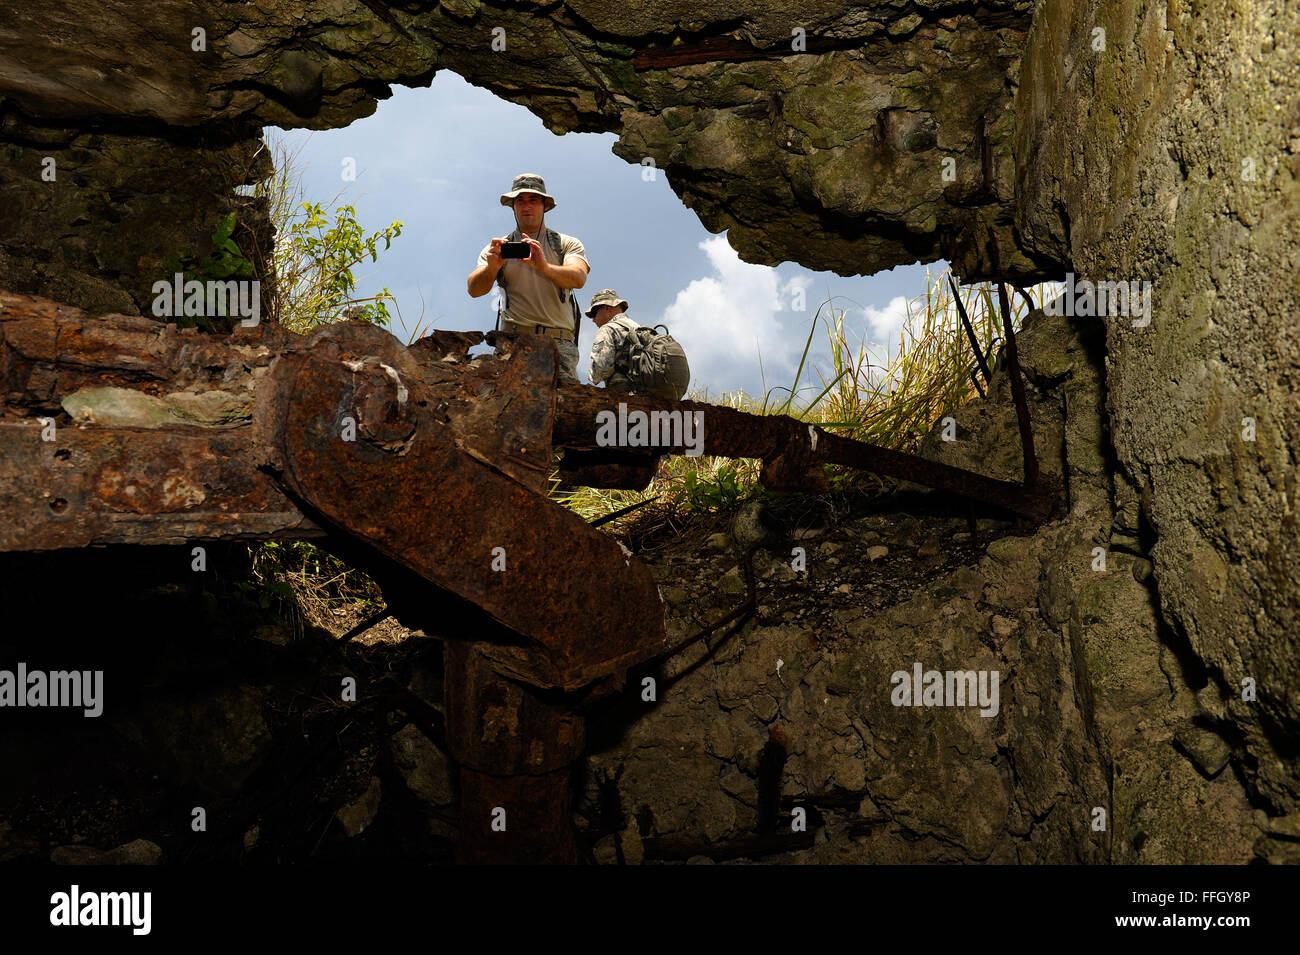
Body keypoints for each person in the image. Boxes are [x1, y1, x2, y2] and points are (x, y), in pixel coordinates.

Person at [467, 173, 589, 384]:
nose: (526, 207)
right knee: (504, 408)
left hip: (558, 345)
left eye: (533, 200)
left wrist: (543, 267)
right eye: (520, 201)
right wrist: (491, 268)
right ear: (513, 206)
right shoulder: (497, 248)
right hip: (512, 343)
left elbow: (578, 278)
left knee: (561, 409)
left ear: (545, 206)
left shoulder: (566, 243)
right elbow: (474, 289)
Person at [586, 289, 639, 393]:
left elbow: (602, 369)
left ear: (607, 308)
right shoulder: (637, 327)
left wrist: (592, 370)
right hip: (647, 397)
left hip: (624, 397)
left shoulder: (608, 329)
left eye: (594, 313)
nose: (593, 319)